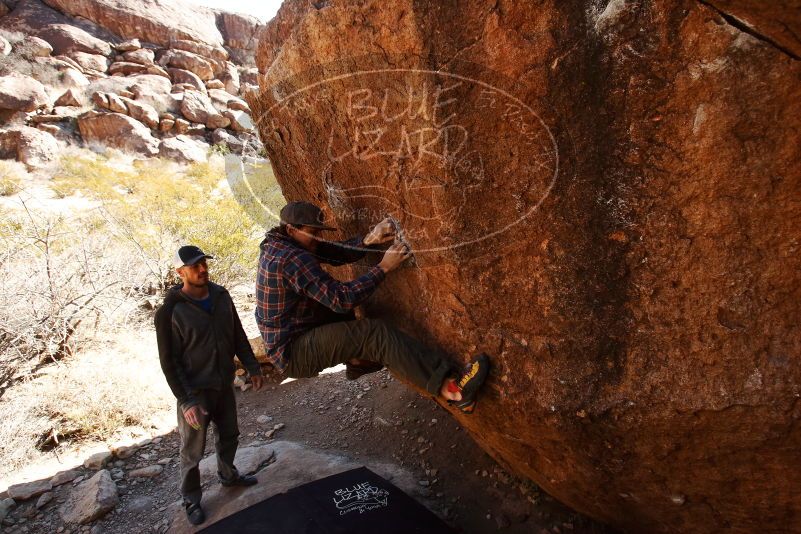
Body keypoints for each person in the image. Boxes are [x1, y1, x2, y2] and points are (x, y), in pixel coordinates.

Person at [255, 201, 490, 413]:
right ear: (291, 229)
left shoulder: (283, 245)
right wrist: (384, 267)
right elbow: (341, 299)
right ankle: (455, 391)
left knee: (329, 297)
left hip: (294, 336)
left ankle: (357, 361)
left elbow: (333, 253)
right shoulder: (292, 258)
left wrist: (369, 239)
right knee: (373, 334)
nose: (318, 239)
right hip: (294, 352)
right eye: (313, 233)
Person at [155, 245, 265, 526]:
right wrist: (186, 400)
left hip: (223, 384)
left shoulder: (220, 295)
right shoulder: (170, 310)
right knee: (193, 450)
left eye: (204, 263)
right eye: (195, 266)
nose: (202, 269)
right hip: (196, 394)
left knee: (230, 434)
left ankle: (228, 476)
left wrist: (252, 366)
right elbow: (169, 362)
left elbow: (238, 333)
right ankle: (191, 499)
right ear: (181, 272)